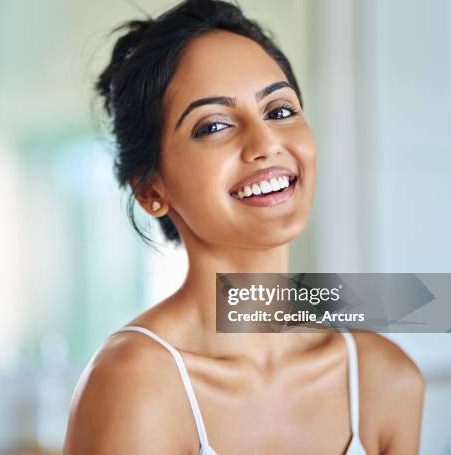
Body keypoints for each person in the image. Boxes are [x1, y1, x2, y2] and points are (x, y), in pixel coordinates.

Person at [63, 0, 425, 453]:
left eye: (278, 111)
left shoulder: (384, 380)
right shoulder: (136, 384)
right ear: (151, 189)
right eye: (214, 125)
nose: (266, 143)